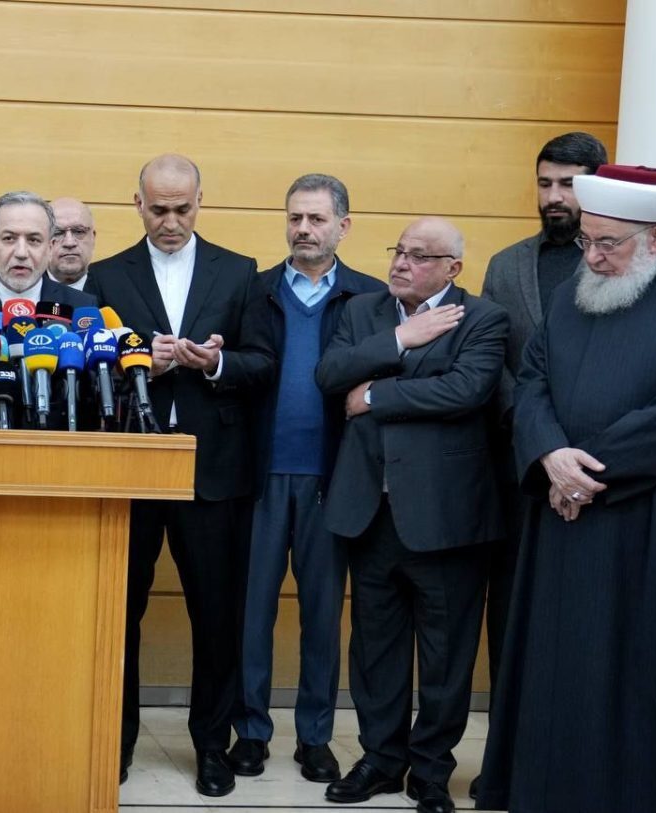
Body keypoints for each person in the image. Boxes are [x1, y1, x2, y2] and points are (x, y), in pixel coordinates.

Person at [477, 165, 656, 813]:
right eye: (586, 241)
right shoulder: (576, 290)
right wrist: (549, 453)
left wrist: (589, 471)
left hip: (643, 520)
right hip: (558, 514)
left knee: (628, 664)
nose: (590, 256)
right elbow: (532, 376)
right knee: (554, 660)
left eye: (607, 244)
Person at [86, 153, 276, 797]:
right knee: (120, 613)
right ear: (137, 205)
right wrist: (145, 362)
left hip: (212, 468)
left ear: (201, 203)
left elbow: (263, 363)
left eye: (183, 209)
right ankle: (114, 741)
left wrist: (214, 364)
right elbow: (88, 368)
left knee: (216, 617)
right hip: (131, 469)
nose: (171, 222)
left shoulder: (239, 271)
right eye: (159, 209)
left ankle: (211, 747)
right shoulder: (106, 275)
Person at [315, 217, 508, 813]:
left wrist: (375, 394)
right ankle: (381, 759)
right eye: (399, 251)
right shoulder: (362, 311)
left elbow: (466, 390)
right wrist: (401, 339)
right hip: (369, 511)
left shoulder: (483, 318)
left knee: (446, 655)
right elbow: (329, 375)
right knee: (375, 648)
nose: (401, 263)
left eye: (420, 256)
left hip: (446, 518)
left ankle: (430, 770)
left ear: (453, 268)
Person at [230, 174, 385, 782]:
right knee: (253, 614)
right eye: (295, 217)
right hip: (261, 477)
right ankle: (250, 732)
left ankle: (315, 737)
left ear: (343, 226)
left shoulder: (369, 298)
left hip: (333, 479)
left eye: (316, 219)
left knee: (322, 616)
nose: (303, 229)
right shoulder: (256, 290)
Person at [472, 131, 606, 798]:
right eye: (545, 183)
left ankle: (585, 763)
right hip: (521, 476)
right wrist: (540, 445)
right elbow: (492, 366)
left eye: (568, 184)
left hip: (602, 479)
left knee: (590, 626)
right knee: (513, 623)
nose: (554, 197)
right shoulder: (505, 266)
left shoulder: (621, 263)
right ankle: (509, 767)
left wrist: (576, 461)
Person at [0, 191, 94, 309]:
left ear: (50, 248)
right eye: (9, 238)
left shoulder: (81, 306)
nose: (21, 253)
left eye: (33, 240)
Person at [47, 197, 96, 290]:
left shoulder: (114, 289)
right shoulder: (26, 289)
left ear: (93, 238)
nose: (69, 243)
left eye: (78, 231)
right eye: (57, 233)